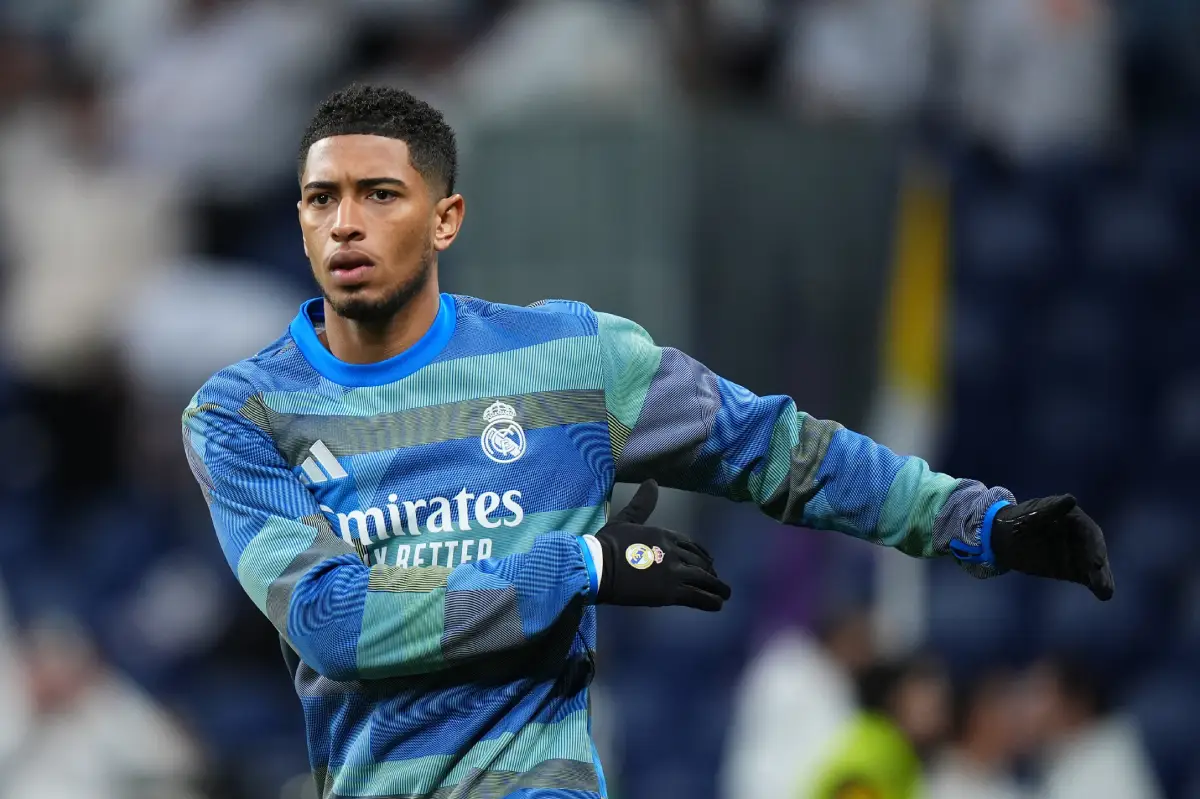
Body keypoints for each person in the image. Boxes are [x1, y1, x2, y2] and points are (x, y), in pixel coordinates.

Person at [180, 84, 1115, 799]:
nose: (344, 222)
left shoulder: (571, 358)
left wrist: (974, 521)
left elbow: (779, 449)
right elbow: (338, 622)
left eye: (379, 193)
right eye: (319, 198)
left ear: (447, 217)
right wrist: (581, 563)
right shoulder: (242, 413)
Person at [803, 654, 950, 799]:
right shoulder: (878, 751)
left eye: (938, 707)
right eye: (922, 703)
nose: (930, 715)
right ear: (896, 699)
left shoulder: (909, 758)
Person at [925, 669, 1029, 799]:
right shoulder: (941, 780)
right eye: (1006, 710)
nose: (1016, 721)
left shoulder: (1010, 775)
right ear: (978, 717)